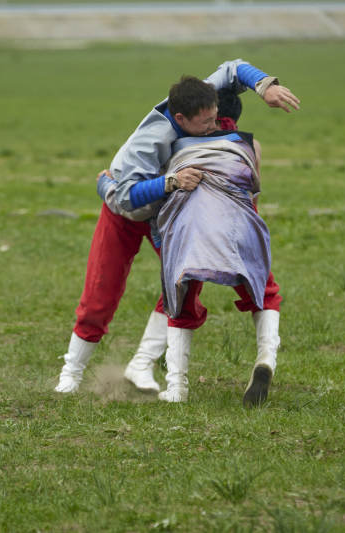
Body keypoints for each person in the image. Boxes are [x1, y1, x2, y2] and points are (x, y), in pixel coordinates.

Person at [54, 60, 300, 405]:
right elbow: (124, 197)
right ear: (180, 120)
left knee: (185, 278)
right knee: (101, 291)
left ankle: (144, 366)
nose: (215, 128)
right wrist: (152, 183)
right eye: (207, 124)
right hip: (126, 210)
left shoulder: (198, 99)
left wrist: (265, 86)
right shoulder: (151, 140)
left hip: (167, 212)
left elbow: (233, 68)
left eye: (217, 120)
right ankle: (70, 376)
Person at [100, 88, 277, 405]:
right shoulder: (250, 146)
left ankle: (176, 387)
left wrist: (106, 184)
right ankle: (266, 358)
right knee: (264, 291)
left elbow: (135, 199)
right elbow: (254, 198)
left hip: (191, 232)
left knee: (179, 291)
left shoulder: (173, 147)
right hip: (240, 224)